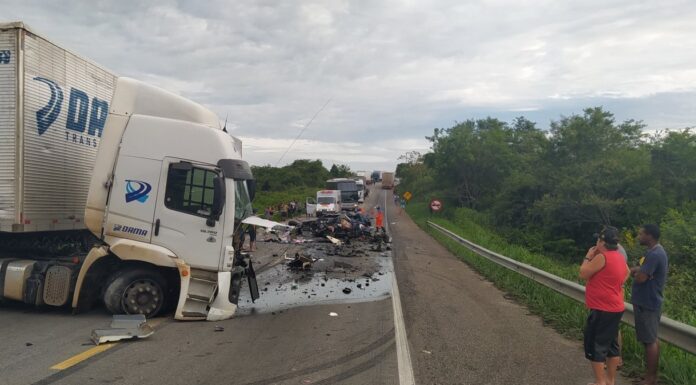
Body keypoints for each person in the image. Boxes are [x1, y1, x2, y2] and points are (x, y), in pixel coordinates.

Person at [579, 226, 629, 385]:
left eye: (598, 240)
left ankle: (600, 382)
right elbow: (627, 272)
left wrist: (588, 256)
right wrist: (615, 284)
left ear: (602, 242)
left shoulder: (602, 257)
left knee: (596, 345)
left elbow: (583, 273)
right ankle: (610, 380)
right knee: (612, 346)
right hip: (616, 308)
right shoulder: (619, 256)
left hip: (602, 309)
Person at [631, 224, 668, 385]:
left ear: (649, 236)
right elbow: (643, 272)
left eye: (641, 234)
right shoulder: (655, 252)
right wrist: (639, 271)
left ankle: (650, 379)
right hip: (648, 301)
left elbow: (641, 278)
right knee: (651, 338)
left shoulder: (655, 254)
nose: (639, 237)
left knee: (650, 341)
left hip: (648, 303)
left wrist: (638, 274)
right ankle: (650, 376)